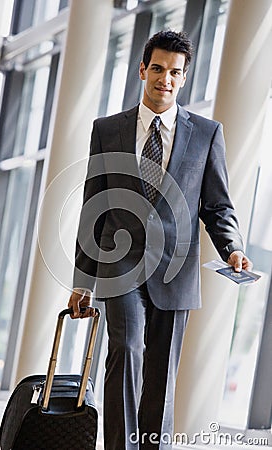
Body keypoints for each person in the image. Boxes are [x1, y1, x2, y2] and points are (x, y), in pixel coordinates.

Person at [68, 30, 252, 450]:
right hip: (121, 267)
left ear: (184, 77)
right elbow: (92, 204)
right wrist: (83, 280)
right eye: (157, 69)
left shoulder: (206, 134)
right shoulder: (107, 129)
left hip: (176, 268)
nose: (164, 79)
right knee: (126, 353)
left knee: (161, 376)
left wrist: (233, 248)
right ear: (142, 70)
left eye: (174, 72)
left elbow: (217, 205)